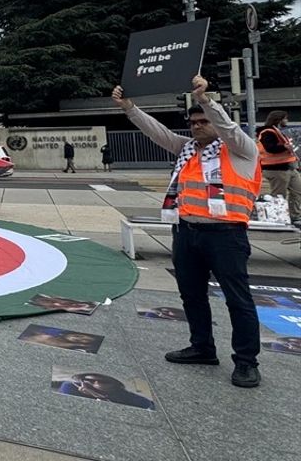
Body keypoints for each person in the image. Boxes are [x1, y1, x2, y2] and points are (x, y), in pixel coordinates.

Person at [113, 76, 263, 388]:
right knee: (192, 295)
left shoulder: (241, 150)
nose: (196, 126)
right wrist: (130, 108)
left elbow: (230, 130)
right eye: (193, 121)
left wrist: (206, 100)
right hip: (186, 231)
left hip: (226, 235)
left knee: (238, 299)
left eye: (203, 121)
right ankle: (202, 347)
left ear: (216, 123)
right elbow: (160, 134)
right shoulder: (188, 150)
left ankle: (247, 361)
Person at [257, 110, 300, 226]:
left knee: (297, 191)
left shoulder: (278, 132)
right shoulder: (267, 132)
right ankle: (279, 218)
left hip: (289, 168)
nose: (287, 121)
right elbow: (270, 148)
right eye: (285, 118)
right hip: (276, 169)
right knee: (279, 196)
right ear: (279, 120)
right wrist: (284, 147)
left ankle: (294, 216)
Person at [56, 373, 154, 410]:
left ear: (114, 385)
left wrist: (99, 397)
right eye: (90, 380)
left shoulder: (123, 395)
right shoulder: (71, 386)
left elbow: (148, 405)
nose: (96, 383)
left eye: (103, 381)